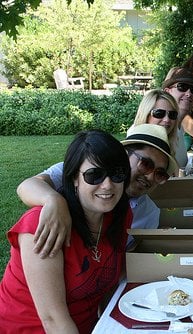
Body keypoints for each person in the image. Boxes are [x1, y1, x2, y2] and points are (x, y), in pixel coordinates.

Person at [0, 130, 132, 333]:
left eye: (117, 174)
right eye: (94, 175)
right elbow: (53, 321)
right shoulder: (41, 225)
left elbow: (108, 291)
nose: (107, 185)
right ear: (74, 179)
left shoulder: (118, 216)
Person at [16, 124, 177, 257]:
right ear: (124, 155)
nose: (149, 176)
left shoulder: (149, 213)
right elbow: (27, 186)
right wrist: (54, 200)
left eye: (160, 173)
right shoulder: (85, 169)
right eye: (146, 164)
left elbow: (129, 256)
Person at [162, 67, 193, 167]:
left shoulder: (179, 126)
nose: (189, 94)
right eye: (182, 87)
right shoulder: (160, 124)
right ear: (168, 92)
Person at [132, 88, 181, 167]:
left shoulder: (171, 146)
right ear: (146, 115)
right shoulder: (134, 149)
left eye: (172, 114)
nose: (167, 119)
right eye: (159, 113)